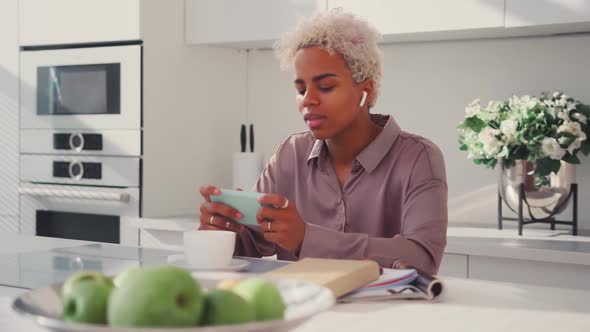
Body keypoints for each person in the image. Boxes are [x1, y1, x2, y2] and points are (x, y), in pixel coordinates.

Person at [199, 10, 447, 275]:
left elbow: (422, 258)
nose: (308, 100)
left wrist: (306, 239)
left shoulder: (418, 158)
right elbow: (250, 244)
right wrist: (223, 231)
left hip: (387, 314)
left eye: (326, 86)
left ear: (366, 91)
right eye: (300, 89)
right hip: (302, 310)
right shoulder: (290, 154)